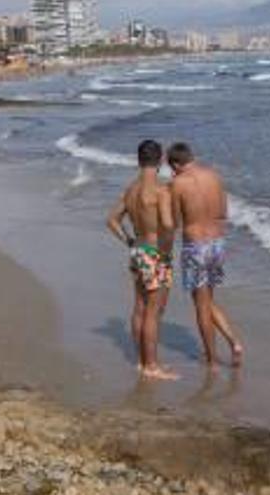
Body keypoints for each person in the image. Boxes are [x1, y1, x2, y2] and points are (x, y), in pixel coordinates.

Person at [167, 142, 243, 368]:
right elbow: (224, 212)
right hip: (218, 243)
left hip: (196, 246)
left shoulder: (178, 183)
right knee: (208, 300)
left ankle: (211, 359)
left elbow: (174, 222)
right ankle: (234, 342)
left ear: (175, 164)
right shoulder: (214, 176)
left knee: (200, 305)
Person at [107, 140, 179, 381]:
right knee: (153, 310)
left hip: (137, 249)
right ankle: (152, 366)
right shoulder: (161, 191)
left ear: (139, 160)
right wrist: (166, 252)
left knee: (139, 306)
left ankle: (142, 361)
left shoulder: (131, 190)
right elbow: (168, 225)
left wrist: (128, 240)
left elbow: (112, 220)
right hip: (154, 252)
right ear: (160, 161)